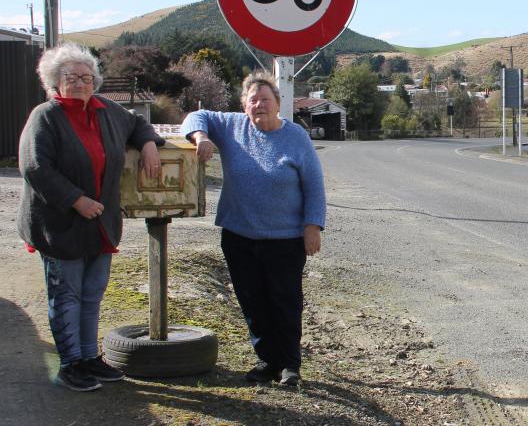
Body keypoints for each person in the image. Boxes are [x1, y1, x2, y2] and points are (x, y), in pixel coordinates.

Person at [18, 42, 163, 392]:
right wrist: (76, 200)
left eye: (86, 77)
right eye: (71, 77)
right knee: (66, 295)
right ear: (55, 81)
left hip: (100, 224)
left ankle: (88, 356)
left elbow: (139, 125)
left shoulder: (107, 111)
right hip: (60, 224)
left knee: (91, 293)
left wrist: (147, 145)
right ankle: (69, 364)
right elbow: (36, 167)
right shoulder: (45, 117)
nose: (81, 83)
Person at [180, 72, 325, 387]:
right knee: (253, 303)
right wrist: (201, 138)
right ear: (244, 105)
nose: (259, 105)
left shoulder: (296, 137)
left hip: (285, 240)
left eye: (265, 100)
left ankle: (289, 366)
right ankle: (267, 362)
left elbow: (314, 186)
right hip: (239, 236)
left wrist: (312, 226)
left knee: (284, 302)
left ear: (278, 104)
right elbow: (195, 116)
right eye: (252, 100)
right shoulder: (232, 126)